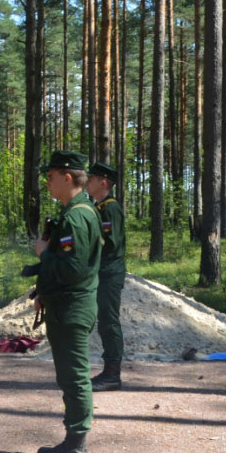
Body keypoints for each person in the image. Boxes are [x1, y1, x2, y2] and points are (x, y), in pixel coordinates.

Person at [31, 150, 102, 453]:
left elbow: (73, 267)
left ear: (67, 177)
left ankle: (76, 447)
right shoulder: (74, 211)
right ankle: (72, 442)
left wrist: (44, 254)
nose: (47, 183)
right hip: (65, 305)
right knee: (69, 376)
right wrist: (42, 289)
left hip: (71, 308)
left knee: (74, 377)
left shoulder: (76, 215)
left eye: (50, 176)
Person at [87, 162, 126, 391]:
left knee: (109, 322)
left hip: (109, 271)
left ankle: (112, 374)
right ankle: (110, 371)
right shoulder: (99, 207)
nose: (87, 183)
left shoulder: (109, 208)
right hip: (103, 270)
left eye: (91, 179)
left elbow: (110, 244)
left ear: (103, 182)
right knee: (104, 321)